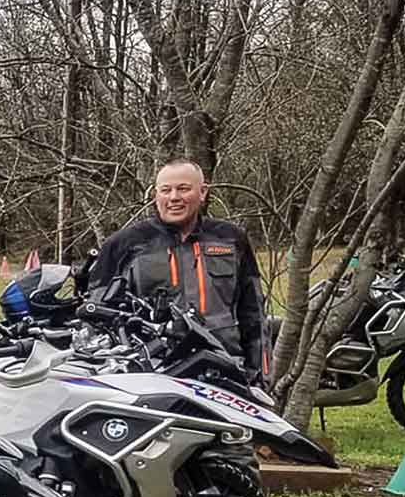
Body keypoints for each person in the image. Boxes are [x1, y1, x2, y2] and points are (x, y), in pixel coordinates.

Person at [87, 159, 269, 385]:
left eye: (183, 188)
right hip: (152, 373)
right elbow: (95, 317)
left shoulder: (231, 239)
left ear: (202, 192)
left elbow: (254, 316)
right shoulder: (124, 244)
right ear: (156, 195)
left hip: (226, 369)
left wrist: (260, 375)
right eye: (166, 190)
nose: (174, 197)